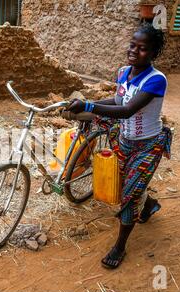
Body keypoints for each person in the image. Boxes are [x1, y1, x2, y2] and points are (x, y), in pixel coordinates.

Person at [63, 23, 172, 269]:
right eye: (132, 45)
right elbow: (117, 99)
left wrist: (89, 107)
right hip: (124, 141)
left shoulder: (156, 80)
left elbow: (126, 110)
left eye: (142, 48)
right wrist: (85, 103)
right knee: (125, 183)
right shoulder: (124, 72)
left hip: (148, 146)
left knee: (129, 197)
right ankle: (150, 204)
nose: (134, 51)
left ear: (153, 53)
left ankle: (120, 246)